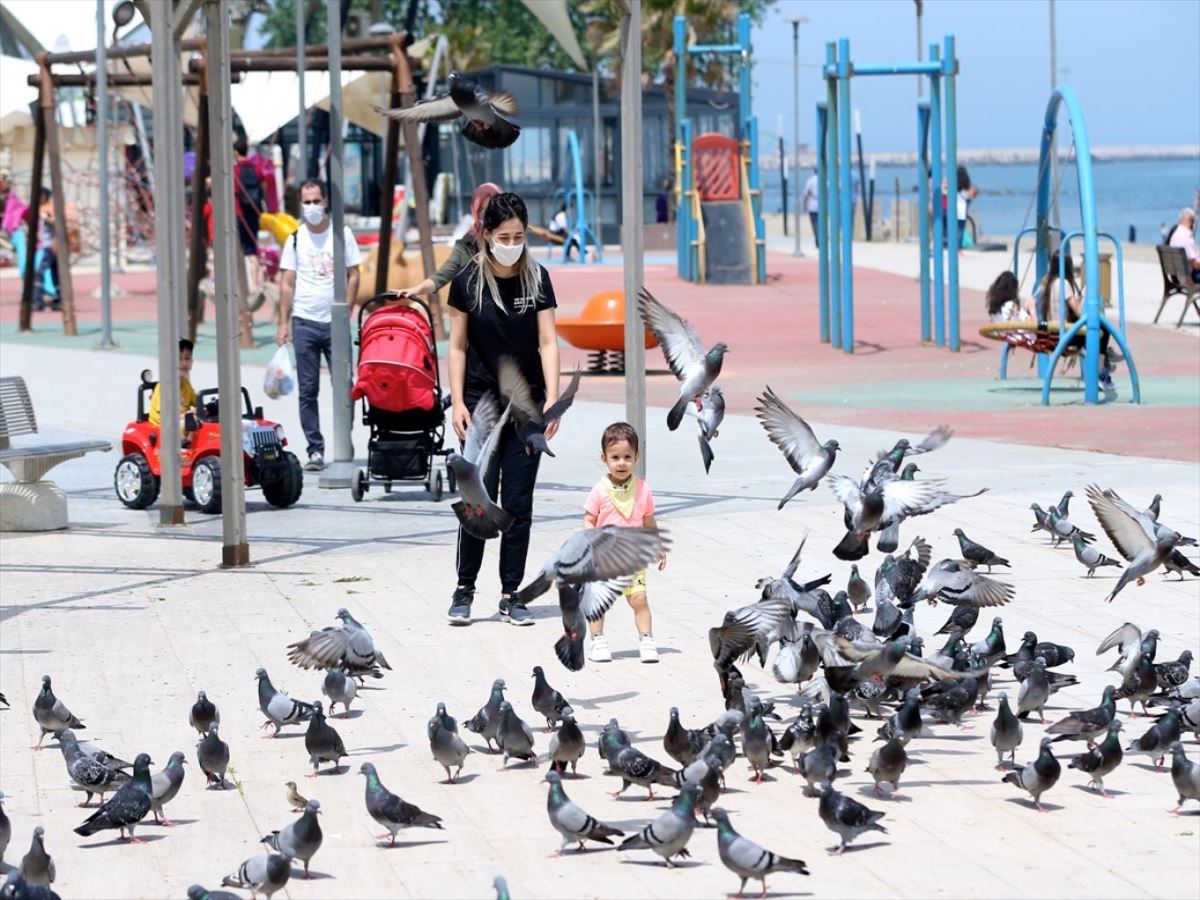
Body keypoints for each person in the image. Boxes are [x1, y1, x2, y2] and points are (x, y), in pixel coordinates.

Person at [445, 191, 560, 627]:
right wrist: (457, 400)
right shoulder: (466, 283)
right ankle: (464, 588)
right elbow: (456, 347)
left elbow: (548, 341)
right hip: (480, 405)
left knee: (518, 502)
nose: (513, 243)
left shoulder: (538, 278)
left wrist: (553, 397)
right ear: (486, 234)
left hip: (527, 405)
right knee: (477, 500)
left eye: (520, 236)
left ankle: (512, 593)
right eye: (504, 236)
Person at [276, 178, 363, 471]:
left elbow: (354, 273)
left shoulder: (342, 234)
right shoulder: (295, 239)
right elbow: (287, 283)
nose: (312, 207)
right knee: (308, 389)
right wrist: (283, 322)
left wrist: (347, 310)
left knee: (344, 386)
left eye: (316, 200)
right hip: (304, 321)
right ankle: (315, 449)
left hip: (334, 322)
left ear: (326, 201)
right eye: (307, 201)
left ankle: (344, 441)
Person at [583, 422, 667, 664]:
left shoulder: (643, 489)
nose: (621, 463)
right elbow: (588, 520)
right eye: (615, 457)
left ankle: (647, 639)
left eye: (627, 457)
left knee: (639, 599)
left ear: (637, 457)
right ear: (604, 458)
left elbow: (649, 521)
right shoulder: (599, 490)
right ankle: (597, 640)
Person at [398, 182, 501, 300]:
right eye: (484, 210)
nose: (489, 215)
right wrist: (416, 290)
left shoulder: (512, 239)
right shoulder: (467, 244)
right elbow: (443, 275)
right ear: (476, 212)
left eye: (494, 209)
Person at [1036, 251, 1116, 395]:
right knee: (1103, 329)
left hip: (1053, 333)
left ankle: (1105, 362)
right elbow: (1079, 311)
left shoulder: (1048, 284)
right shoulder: (1063, 283)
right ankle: (1101, 372)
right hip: (1063, 334)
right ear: (1068, 266)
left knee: (1098, 330)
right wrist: (1084, 296)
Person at [148, 338, 197, 429]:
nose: (184, 363)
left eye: (187, 358)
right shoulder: (164, 387)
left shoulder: (186, 384)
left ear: (192, 362)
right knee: (187, 423)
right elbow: (166, 417)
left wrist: (203, 409)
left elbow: (196, 402)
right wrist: (187, 415)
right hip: (162, 427)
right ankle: (185, 443)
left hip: (180, 421)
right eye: (179, 359)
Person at [1167, 207, 1200, 283]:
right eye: (1193, 221)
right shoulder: (1186, 236)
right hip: (1189, 278)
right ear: (1190, 220)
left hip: (1178, 276)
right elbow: (1195, 265)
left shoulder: (1175, 234)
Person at [957, 165, 979, 249]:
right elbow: (970, 198)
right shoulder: (966, 188)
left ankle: (954, 246)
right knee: (960, 229)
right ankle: (958, 247)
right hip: (962, 209)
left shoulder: (954, 187)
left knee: (953, 229)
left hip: (953, 209)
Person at [802, 168, 819, 247]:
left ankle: (817, 239)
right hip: (822, 205)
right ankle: (820, 238)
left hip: (812, 205)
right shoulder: (825, 179)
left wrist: (804, 206)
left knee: (814, 223)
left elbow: (806, 194)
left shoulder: (810, 181)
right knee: (820, 223)